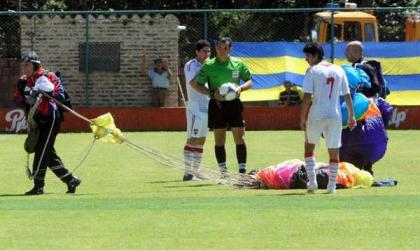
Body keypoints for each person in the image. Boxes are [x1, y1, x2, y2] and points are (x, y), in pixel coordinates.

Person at [14, 51, 81, 195]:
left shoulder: (49, 76)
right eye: (24, 64)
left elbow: (61, 96)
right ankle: (70, 180)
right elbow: (18, 99)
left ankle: (38, 186)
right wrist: (27, 95)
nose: (25, 67)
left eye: (28, 64)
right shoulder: (24, 80)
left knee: (41, 151)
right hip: (36, 121)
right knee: (47, 153)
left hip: (50, 118)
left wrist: (44, 93)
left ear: (36, 65)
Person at [191, 37, 253, 183]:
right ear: (216, 48)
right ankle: (224, 174)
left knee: (240, 138)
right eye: (219, 48)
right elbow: (196, 84)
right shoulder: (209, 66)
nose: (222, 50)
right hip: (217, 105)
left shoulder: (238, 64)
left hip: (234, 104)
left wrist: (240, 88)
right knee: (219, 140)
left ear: (230, 49)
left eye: (225, 48)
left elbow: (250, 80)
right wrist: (212, 94)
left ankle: (242, 173)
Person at [300, 43, 357, 194]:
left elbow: (306, 97)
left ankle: (312, 182)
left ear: (316, 56)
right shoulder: (339, 70)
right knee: (334, 149)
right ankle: (331, 185)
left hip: (317, 113)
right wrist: (352, 116)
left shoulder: (312, 71)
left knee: (309, 145)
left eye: (308, 56)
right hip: (335, 115)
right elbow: (347, 95)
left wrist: (302, 117)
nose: (306, 59)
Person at [182, 40, 211, 181]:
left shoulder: (211, 66)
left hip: (207, 107)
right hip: (195, 109)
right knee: (192, 139)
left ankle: (196, 171)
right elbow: (193, 82)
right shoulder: (190, 65)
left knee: (201, 140)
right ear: (197, 52)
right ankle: (188, 173)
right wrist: (205, 67)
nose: (207, 54)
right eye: (205, 51)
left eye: (209, 51)